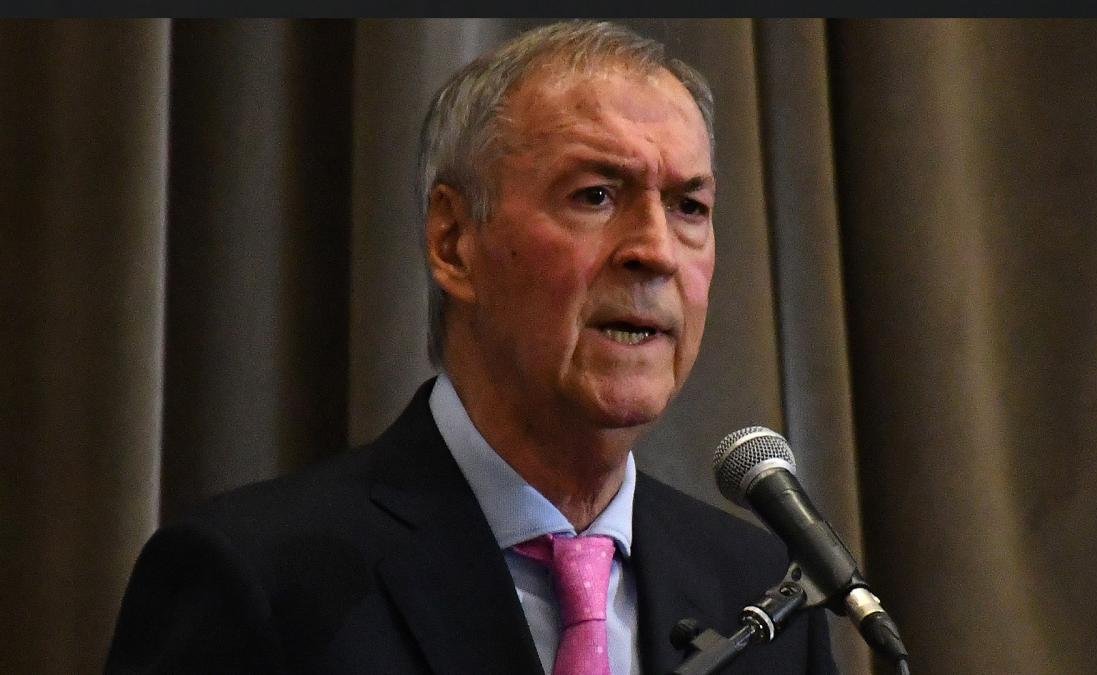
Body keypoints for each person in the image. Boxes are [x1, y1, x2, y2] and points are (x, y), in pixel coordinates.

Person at [106, 20, 836, 674]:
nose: (656, 250)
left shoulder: (764, 598)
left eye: (689, 207)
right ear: (453, 241)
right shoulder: (257, 580)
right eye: (596, 195)